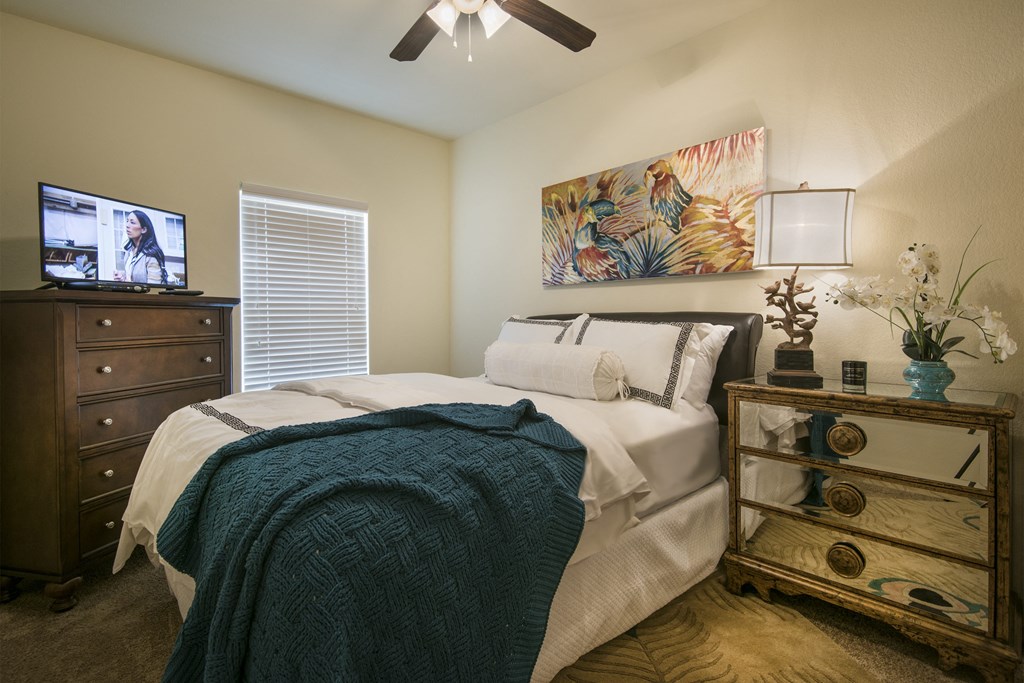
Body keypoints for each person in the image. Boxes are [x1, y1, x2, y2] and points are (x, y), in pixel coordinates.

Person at [113, 210, 169, 284]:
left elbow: (154, 287)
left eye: (132, 222)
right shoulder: (129, 252)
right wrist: (122, 279)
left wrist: (130, 284)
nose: (127, 225)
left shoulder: (151, 255)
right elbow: (132, 277)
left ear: (143, 229)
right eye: (127, 221)